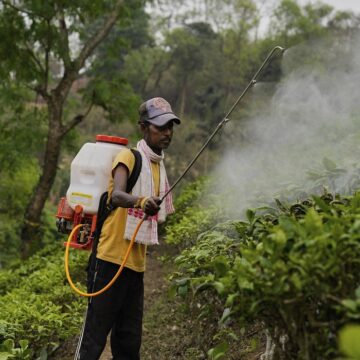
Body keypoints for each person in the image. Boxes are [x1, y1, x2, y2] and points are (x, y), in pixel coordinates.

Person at [76, 97, 180, 360]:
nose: (167, 133)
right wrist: (142, 201)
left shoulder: (158, 166)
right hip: (109, 260)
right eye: (160, 127)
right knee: (93, 339)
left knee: (129, 342)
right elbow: (117, 196)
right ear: (144, 127)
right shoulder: (129, 158)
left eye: (170, 127)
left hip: (135, 266)